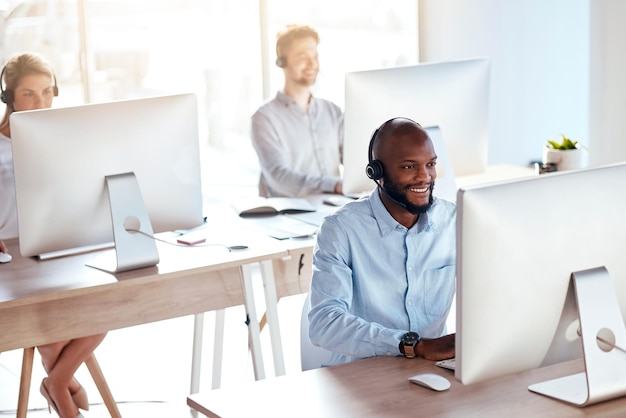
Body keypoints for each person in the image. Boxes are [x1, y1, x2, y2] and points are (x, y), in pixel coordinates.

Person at [0, 52, 106, 418]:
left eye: (47, 92)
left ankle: (58, 380)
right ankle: (62, 388)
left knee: (110, 302)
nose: (40, 102)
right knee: (52, 325)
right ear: (9, 98)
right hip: (10, 259)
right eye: (29, 94)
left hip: (56, 249)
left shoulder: (62, 139)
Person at [308, 117, 456, 366]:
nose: (425, 177)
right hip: (362, 373)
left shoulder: (454, 221)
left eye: (430, 164)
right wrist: (414, 346)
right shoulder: (341, 229)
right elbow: (324, 323)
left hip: (433, 370)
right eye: (409, 167)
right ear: (377, 173)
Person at [251, 24, 343, 197]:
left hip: (334, 211)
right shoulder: (264, 118)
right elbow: (278, 177)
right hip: (289, 216)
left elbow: (354, 162)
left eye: (315, 56)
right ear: (282, 61)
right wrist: (335, 185)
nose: (312, 64)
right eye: (303, 57)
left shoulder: (332, 111)